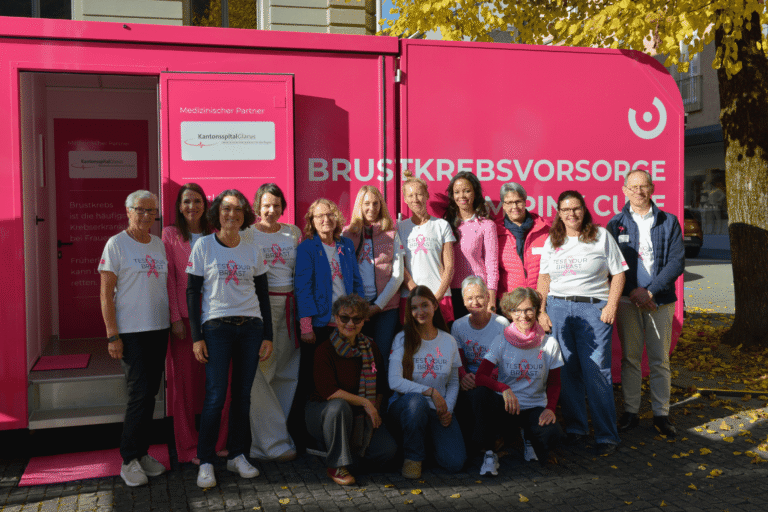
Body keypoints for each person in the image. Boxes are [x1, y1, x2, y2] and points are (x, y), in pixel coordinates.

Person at [187, 189, 274, 488]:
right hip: (217, 329)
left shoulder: (253, 249)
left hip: (251, 328)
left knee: (243, 395)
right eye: (226, 209)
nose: (232, 215)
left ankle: (238, 455)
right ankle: (207, 460)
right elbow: (192, 292)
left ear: (245, 215)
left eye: (238, 210)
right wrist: (196, 337)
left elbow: (263, 294)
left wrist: (268, 335)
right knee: (215, 396)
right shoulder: (203, 247)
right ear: (217, 213)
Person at [537, 190, 626, 456]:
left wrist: (611, 305)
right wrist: (541, 311)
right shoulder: (552, 240)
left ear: (584, 209)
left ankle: (606, 435)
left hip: (593, 309)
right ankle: (577, 429)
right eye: (565, 210)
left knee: (597, 371)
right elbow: (544, 279)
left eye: (576, 208)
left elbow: (619, 273)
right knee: (567, 372)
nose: (571, 214)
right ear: (559, 213)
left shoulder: (601, 236)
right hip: (558, 307)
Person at [99, 190, 170, 487]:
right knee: (139, 394)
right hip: (131, 332)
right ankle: (128, 459)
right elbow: (105, 293)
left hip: (158, 328)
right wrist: (112, 334)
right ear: (128, 211)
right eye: (140, 210)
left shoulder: (158, 244)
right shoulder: (116, 244)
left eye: (151, 210)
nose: (145, 216)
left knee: (151, 392)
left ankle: (142, 454)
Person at [607, 169, 685, 438]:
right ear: (624, 190)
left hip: (659, 301)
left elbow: (676, 262)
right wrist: (634, 292)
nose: (639, 192)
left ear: (652, 189)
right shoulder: (615, 224)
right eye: (633, 187)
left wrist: (650, 292)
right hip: (629, 301)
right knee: (630, 358)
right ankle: (631, 411)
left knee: (659, 360)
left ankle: (661, 414)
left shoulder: (669, 221)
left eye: (644, 187)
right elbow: (611, 265)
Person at [163, 183, 230, 464]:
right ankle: (188, 448)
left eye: (197, 201)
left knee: (219, 384)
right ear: (179, 206)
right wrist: (176, 317)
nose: (192, 206)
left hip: (216, 317)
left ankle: (218, 443)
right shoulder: (170, 235)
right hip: (185, 321)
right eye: (186, 201)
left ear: (206, 204)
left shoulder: (217, 234)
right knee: (186, 388)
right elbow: (169, 279)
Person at [294, 198, 365, 450]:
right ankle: (307, 436)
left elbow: (356, 281)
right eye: (319, 216)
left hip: (344, 324)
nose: (326, 220)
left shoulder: (345, 245)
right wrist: (306, 326)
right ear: (312, 222)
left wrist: (359, 315)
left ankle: (339, 432)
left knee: (341, 380)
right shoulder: (307, 248)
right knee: (314, 383)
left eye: (330, 215)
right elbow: (302, 288)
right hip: (319, 325)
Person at [305, 294, 397, 486]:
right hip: (324, 414)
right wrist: (365, 403)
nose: (350, 323)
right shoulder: (325, 350)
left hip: (361, 417)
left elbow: (380, 386)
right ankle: (336, 465)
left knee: (388, 452)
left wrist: (375, 412)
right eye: (344, 318)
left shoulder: (371, 347)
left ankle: (345, 457)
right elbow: (329, 392)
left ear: (364, 321)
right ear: (336, 318)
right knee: (339, 406)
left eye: (356, 319)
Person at [473, 287, 565, 475]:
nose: (523, 315)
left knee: (554, 435)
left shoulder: (549, 344)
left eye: (529, 309)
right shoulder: (501, 340)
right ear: (509, 312)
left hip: (534, 406)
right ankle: (490, 454)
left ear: (537, 310)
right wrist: (503, 388)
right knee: (480, 394)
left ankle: (530, 436)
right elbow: (480, 376)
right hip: (506, 406)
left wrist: (550, 408)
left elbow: (555, 383)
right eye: (516, 310)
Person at [242, 183, 301, 461]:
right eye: (266, 204)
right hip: (263, 308)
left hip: (291, 307)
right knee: (261, 375)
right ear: (257, 206)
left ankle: (275, 437)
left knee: (286, 373)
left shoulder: (293, 232)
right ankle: (269, 443)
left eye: (276, 205)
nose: (271, 210)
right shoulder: (247, 234)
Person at [388, 286, 466, 479]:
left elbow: (454, 381)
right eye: (414, 308)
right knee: (417, 402)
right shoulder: (402, 338)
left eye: (425, 305)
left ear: (435, 306)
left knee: (455, 462)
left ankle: (426, 445)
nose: (420, 311)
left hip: (439, 410)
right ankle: (413, 457)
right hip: (407, 409)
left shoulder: (448, 341)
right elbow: (394, 381)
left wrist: (448, 408)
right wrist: (430, 391)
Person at [342, 185, 404, 378]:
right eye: (366, 203)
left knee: (381, 356)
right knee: (355, 357)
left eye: (376, 203)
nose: (371, 208)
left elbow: (398, 275)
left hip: (385, 309)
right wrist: (358, 306)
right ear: (359, 205)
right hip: (356, 308)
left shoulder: (391, 234)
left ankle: (383, 403)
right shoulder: (346, 235)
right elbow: (341, 273)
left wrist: (377, 306)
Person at [450, 276, 509, 452]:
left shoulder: (501, 324)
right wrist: (463, 377)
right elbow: (458, 360)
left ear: (488, 297)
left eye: (479, 297)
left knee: (482, 393)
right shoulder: (458, 326)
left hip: (494, 378)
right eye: (469, 298)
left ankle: (486, 443)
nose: (475, 302)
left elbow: (506, 363)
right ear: (463, 301)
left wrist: (483, 378)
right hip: (470, 378)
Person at [398, 174, 456, 323]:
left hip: (440, 295)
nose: (415, 199)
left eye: (419, 194)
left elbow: (449, 266)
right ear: (405, 199)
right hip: (410, 296)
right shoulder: (400, 228)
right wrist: (417, 293)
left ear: (426, 195)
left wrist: (436, 297)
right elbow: (400, 265)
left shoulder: (441, 225)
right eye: (410, 195)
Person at [443, 171, 499, 319]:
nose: (462, 196)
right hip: (452, 292)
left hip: (478, 293)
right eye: (457, 192)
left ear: (475, 193)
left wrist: (491, 298)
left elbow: (492, 264)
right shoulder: (444, 225)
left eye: (467, 191)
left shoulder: (486, 225)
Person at [497, 183, 551, 298]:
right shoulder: (496, 231)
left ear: (525, 202)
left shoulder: (544, 228)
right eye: (509, 202)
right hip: (510, 301)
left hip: (541, 298)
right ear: (503, 205)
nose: (514, 206)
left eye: (518, 201)